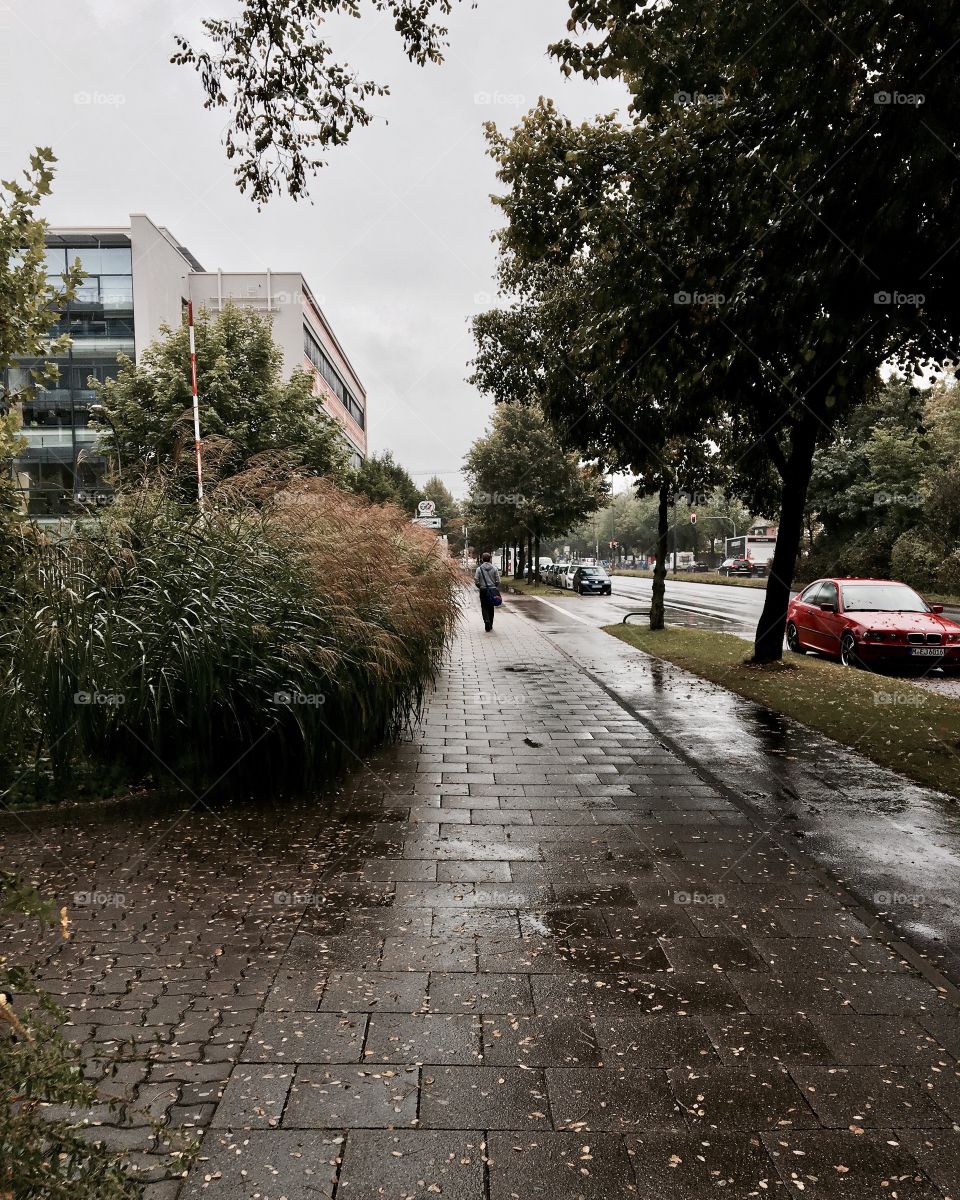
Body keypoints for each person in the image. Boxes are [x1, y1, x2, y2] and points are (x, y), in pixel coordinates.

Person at [474, 551, 501, 632]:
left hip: (483, 590)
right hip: (492, 590)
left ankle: (486, 621)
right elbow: (498, 580)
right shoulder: (494, 568)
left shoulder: (479, 569)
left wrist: (479, 586)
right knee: (491, 607)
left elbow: (476, 579)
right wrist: (494, 586)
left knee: (484, 606)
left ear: (482, 559)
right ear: (490, 559)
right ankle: (491, 624)